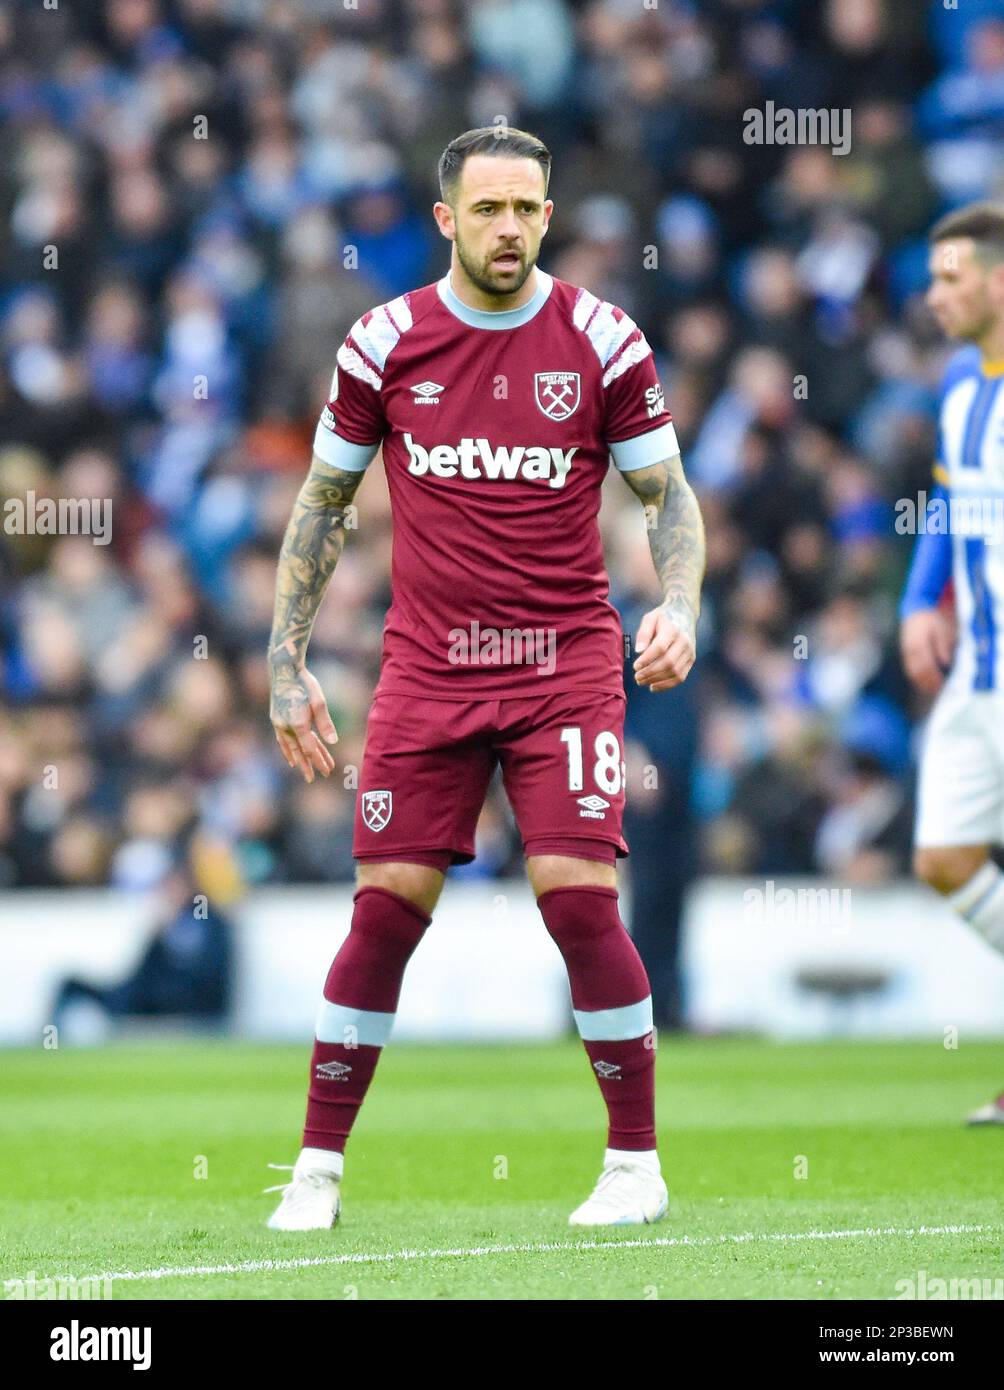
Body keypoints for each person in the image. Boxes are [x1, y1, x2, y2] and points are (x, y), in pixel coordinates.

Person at [264, 127, 705, 1231]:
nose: (509, 228)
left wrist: (679, 603)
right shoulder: (382, 343)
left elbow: (667, 497)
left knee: (576, 897)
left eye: (527, 209)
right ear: (445, 220)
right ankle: (315, 1171)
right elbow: (322, 504)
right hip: (427, 666)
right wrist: (284, 665)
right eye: (489, 209)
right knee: (386, 909)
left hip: (563, 662)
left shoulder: (602, 340)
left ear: (547, 216)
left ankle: (633, 1167)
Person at [899, 202, 1004, 1126]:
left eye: (950, 277)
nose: (935, 297)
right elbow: (946, 507)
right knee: (943, 856)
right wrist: (913, 605)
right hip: (979, 671)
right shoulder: (963, 386)